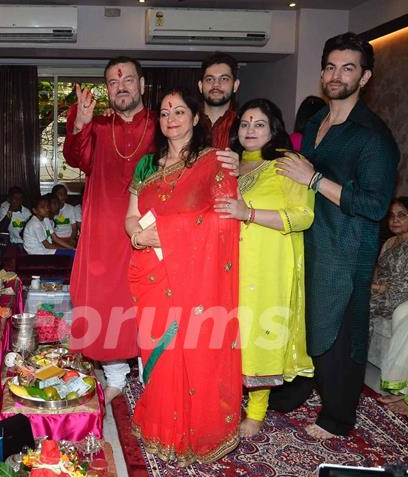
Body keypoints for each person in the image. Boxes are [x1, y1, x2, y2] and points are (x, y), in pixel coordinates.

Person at [65, 56, 239, 404]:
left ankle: (154, 374)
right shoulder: (97, 126)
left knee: (154, 306)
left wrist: (239, 160)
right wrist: (80, 124)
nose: (122, 87)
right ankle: (115, 374)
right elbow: (76, 159)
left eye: (128, 80)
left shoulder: (163, 123)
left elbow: (202, 157)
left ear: (142, 85)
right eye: (113, 83)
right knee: (108, 304)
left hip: (158, 235)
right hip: (105, 231)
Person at [272, 32, 399, 439]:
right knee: (307, 323)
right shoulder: (316, 123)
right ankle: (302, 387)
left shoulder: (372, 136)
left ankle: (339, 417)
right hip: (311, 239)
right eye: (330, 66)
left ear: (364, 77)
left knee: (341, 332)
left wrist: (314, 179)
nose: (336, 75)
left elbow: (375, 205)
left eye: (348, 68)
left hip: (347, 249)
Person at [125, 87, 241, 464]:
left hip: (193, 278)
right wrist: (139, 235)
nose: (170, 119)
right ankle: (161, 423)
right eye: (163, 112)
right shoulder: (146, 165)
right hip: (151, 270)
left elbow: (226, 218)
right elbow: (130, 215)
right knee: (156, 349)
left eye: (178, 111)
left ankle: (195, 430)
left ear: (195, 118)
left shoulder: (215, 162)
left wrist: (171, 232)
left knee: (190, 348)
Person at [216, 98, 315, 437]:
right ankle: (226, 403)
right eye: (244, 124)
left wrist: (250, 214)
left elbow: (304, 216)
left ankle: (256, 412)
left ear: (274, 129)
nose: (250, 130)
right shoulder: (229, 165)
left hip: (268, 267)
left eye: (259, 124)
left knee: (260, 333)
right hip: (228, 265)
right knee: (227, 334)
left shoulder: (288, 163)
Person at [369, 198, 408, 415]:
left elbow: (403, 282)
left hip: (398, 294)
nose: (395, 220)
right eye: (392, 215)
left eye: (402, 214)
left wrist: (375, 288)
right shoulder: (389, 243)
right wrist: (372, 284)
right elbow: (378, 268)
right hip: (381, 289)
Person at [198, 52, 240, 149]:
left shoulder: (244, 126)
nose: (216, 84)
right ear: (200, 86)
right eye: (209, 79)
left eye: (224, 79)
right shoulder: (185, 123)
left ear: (235, 85)